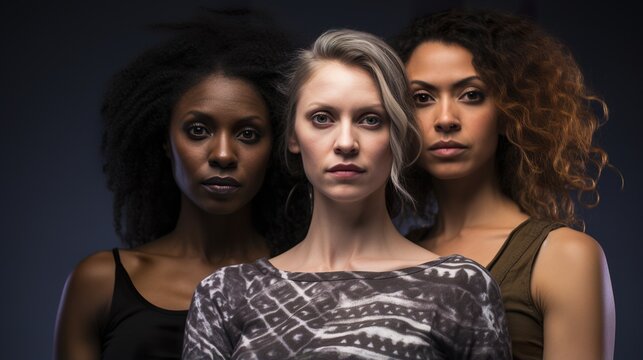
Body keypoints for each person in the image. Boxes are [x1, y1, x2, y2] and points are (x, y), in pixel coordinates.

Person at [183, 29, 511, 360]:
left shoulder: (459, 287)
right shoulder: (224, 294)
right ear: (293, 135)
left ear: (398, 134)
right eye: (322, 118)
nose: (345, 143)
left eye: (370, 120)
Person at [54, 9, 296, 360]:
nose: (224, 154)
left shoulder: (306, 280)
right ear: (165, 141)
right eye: (198, 130)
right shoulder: (100, 283)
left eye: (248, 133)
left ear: (274, 146)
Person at [393, 9, 616, 360]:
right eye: (422, 98)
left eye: (471, 95)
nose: (446, 119)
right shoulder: (389, 256)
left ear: (508, 111)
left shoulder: (563, 256)